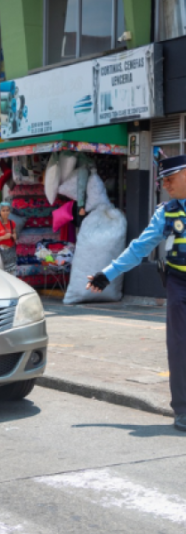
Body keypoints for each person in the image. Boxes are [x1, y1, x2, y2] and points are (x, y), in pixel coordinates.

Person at [88, 154, 186, 431]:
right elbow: (138, 248)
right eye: (163, 181)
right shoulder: (166, 213)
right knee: (179, 348)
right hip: (180, 285)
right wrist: (107, 275)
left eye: (170, 179)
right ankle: (182, 410)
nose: (165, 185)